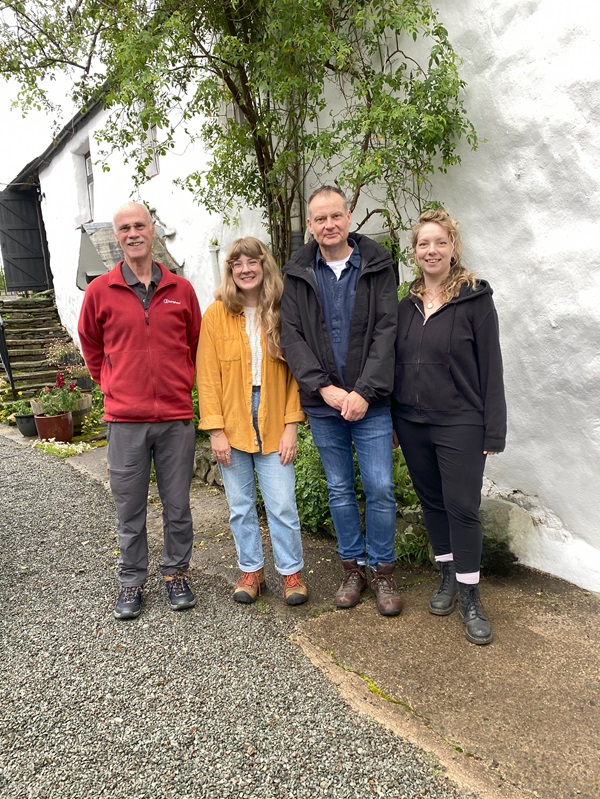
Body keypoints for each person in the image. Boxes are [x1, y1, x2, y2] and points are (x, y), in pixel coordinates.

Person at [280, 186, 402, 616]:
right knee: (338, 489)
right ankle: (353, 569)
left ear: (349, 217)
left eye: (336, 216)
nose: (328, 225)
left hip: (371, 402)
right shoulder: (296, 272)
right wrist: (325, 389)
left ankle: (383, 572)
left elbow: (388, 330)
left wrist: (363, 392)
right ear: (310, 225)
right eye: (319, 219)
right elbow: (290, 336)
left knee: (381, 488)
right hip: (323, 404)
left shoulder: (377, 264)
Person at [78, 201, 201, 620]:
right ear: (117, 237)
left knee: (178, 505)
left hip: (174, 419)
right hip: (125, 421)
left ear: (152, 231)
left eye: (140, 225)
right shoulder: (100, 291)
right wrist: (111, 383)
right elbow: (91, 346)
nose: (133, 233)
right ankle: (132, 581)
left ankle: (176, 574)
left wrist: (182, 382)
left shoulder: (181, 290)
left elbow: (194, 343)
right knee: (129, 508)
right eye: (124, 227)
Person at [392, 208, 507, 645]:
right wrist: (394, 422)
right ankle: (445, 574)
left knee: (462, 506)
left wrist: (492, 430)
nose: (432, 250)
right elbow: (396, 365)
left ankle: (470, 593)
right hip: (412, 421)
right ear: (415, 251)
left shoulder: (475, 299)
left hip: (461, 421)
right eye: (424, 243)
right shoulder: (405, 304)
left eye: (440, 242)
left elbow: (490, 367)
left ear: (453, 248)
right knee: (433, 503)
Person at [196, 237, 308, 606]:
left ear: (264, 265)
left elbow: (297, 372)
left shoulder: (282, 309)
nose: (245, 269)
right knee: (240, 505)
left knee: (282, 504)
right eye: (237, 263)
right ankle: (251, 571)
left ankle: (291, 573)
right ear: (230, 270)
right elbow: (208, 376)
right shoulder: (215, 314)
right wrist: (216, 430)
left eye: (252, 262)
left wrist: (292, 424)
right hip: (232, 417)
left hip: (276, 413)